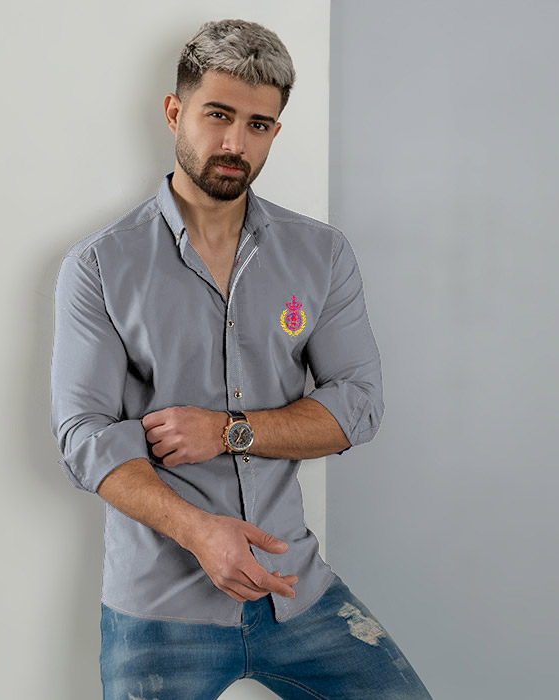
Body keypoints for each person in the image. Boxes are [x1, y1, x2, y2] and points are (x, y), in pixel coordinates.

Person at [51, 18, 433, 700]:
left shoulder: (320, 255)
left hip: (296, 592)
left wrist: (231, 430)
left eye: (258, 125)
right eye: (218, 115)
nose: (235, 143)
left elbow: (359, 404)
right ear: (175, 112)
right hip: (160, 614)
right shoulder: (100, 265)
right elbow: (84, 437)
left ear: (276, 132)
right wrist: (200, 532)